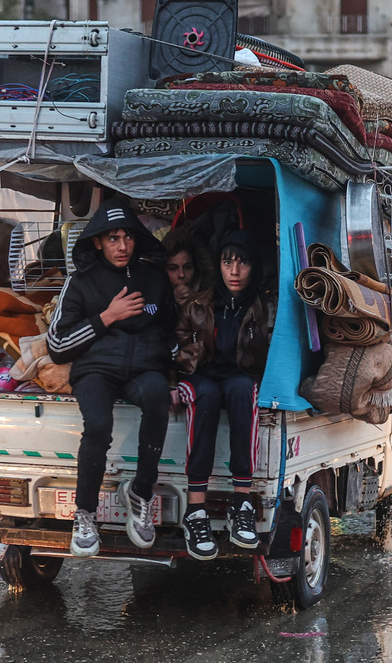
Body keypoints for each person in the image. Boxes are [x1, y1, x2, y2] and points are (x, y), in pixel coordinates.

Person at [47, 199, 177, 558]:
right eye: (112, 238)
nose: (122, 246)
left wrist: (170, 361)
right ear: (97, 243)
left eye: (127, 237)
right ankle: (85, 515)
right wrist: (107, 316)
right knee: (98, 426)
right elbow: (57, 344)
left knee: (157, 397)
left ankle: (141, 493)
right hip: (96, 371)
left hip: (143, 370)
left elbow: (172, 331)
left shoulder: (154, 279)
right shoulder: (81, 282)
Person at [173, 231, 273, 560]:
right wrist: (173, 381)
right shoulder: (199, 303)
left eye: (242, 262)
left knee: (245, 392)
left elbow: (272, 355)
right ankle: (195, 511)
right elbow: (180, 348)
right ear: (218, 266)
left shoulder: (265, 308)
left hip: (240, 376)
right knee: (206, 397)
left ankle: (241, 504)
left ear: (253, 267)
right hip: (202, 376)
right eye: (227, 261)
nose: (234, 270)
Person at [161, 228, 210, 308]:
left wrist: (195, 305)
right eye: (173, 268)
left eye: (188, 267)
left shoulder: (210, 297)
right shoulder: (153, 299)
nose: (181, 275)